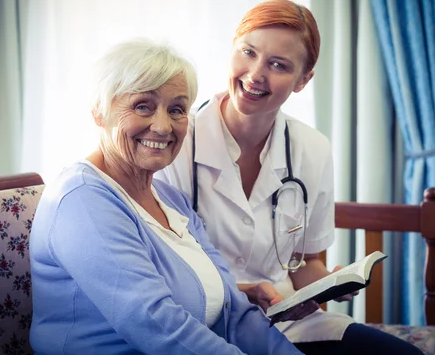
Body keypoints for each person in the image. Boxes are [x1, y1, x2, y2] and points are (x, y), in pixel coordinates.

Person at [155, 0, 425, 355]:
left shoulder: (311, 149)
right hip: (202, 320)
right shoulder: (176, 139)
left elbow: (305, 264)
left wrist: (328, 285)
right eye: (248, 52)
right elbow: (161, 265)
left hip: (284, 322)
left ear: (303, 80)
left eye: (278, 65)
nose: (255, 74)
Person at [29, 38, 303, 355]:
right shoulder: (81, 200)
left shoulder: (170, 198)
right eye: (143, 106)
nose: (162, 127)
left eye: (176, 110)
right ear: (99, 113)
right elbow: (156, 324)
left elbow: (235, 311)